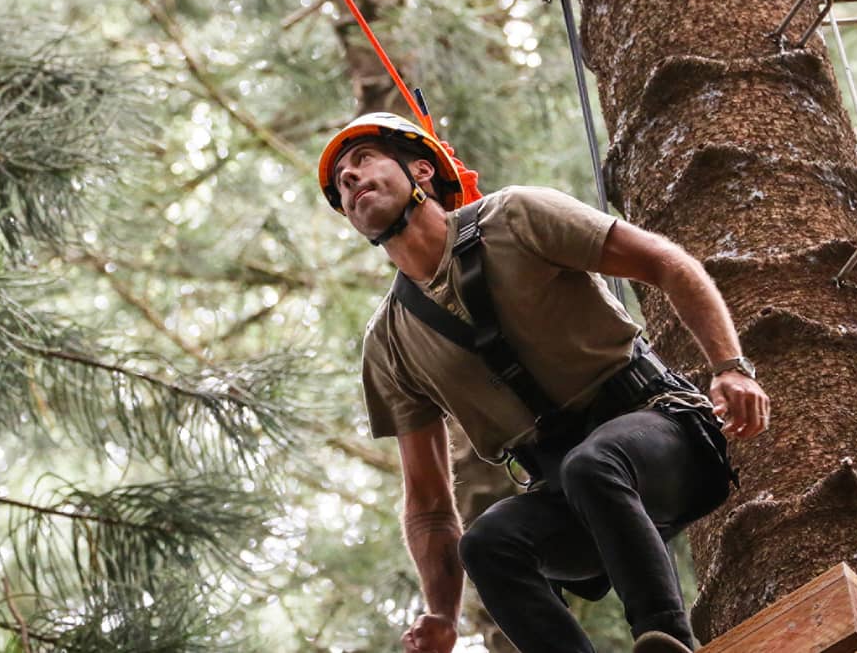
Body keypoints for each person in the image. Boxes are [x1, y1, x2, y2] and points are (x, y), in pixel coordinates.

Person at [317, 113, 771, 653]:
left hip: (665, 436)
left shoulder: (515, 217)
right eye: (340, 181)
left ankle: (668, 642)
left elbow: (666, 263)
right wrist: (441, 612)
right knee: (488, 545)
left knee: (594, 464)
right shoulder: (391, 342)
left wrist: (729, 365)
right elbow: (430, 503)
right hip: (570, 490)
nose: (349, 177)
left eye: (364, 158)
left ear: (422, 170)